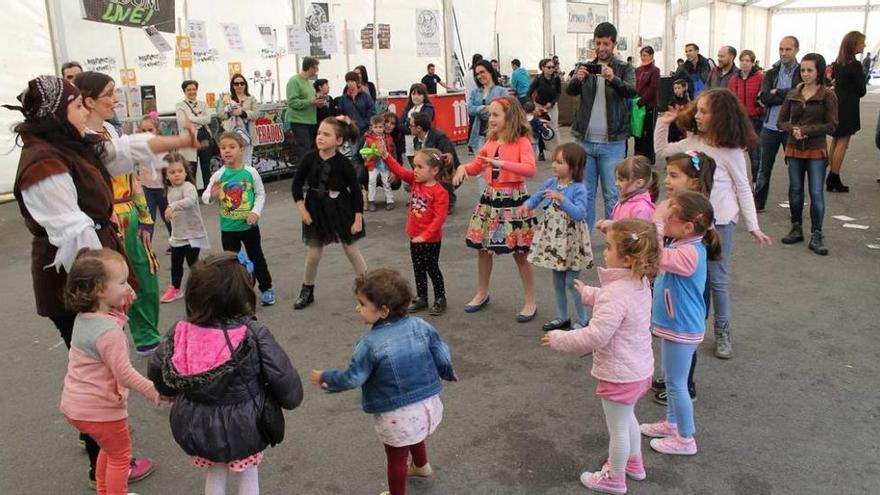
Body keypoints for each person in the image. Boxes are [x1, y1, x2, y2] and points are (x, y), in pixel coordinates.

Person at [6, 74, 197, 488]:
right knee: (99, 370)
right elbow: (74, 236)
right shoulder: (43, 163)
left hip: (93, 271)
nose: (86, 113)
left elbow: (121, 150)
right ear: (58, 113)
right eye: (78, 106)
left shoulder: (68, 143)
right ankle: (105, 464)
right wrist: (112, 290)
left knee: (90, 368)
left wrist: (180, 141)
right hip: (76, 282)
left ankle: (94, 437)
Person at [148, 252, 303, 495]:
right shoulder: (253, 332)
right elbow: (282, 376)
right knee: (248, 474)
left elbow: (159, 367)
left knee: (215, 472)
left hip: (195, 423)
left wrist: (168, 392)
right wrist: (290, 398)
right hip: (245, 424)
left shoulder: (181, 330)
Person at [310, 268, 457, 495]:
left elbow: (353, 377)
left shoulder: (370, 344)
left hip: (396, 413)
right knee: (414, 433)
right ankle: (421, 466)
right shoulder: (422, 326)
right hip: (427, 403)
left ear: (384, 310)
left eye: (362, 304)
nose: (357, 308)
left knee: (396, 457)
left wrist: (326, 378)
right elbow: (442, 352)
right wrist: (447, 372)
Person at [655, 88, 772, 359]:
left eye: (704, 112)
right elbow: (662, 151)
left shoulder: (732, 152)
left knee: (717, 278)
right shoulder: (690, 142)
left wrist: (752, 225)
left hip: (720, 223)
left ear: (721, 117)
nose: (697, 115)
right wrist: (663, 123)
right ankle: (687, 325)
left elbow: (744, 188)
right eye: (697, 110)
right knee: (687, 273)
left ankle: (722, 330)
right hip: (689, 221)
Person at [543, 219, 658, 494]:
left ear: (627, 259)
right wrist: (590, 294)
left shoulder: (616, 294)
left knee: (617, 428)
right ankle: (634, 463)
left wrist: (560, 339)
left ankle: (614, 478)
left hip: (619, 374)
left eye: (608, 247)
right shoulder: (639, 282)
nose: (604, 252)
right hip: (639, 370)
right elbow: (618, 304)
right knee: (628, 418)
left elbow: (596, 334)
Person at [60, 248, 164, 495]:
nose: (128, 286)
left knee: (108, 451)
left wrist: (122, 304)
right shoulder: (109, 333)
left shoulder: (86, 317)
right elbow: (124, 374)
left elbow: (110, 325)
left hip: (77, 406)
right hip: (101, 410)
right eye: (122, 282)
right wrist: (156, 391)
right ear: (98, 289)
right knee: (120, 457)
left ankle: (105, 491)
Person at [76, 71, 162, 355]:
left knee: (145, 278)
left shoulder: (112, 131)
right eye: (110, 94)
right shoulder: (80, 139)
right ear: (89, 101)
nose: (116, 100)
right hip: (107, 218)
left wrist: (146, 216)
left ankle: (147, 335)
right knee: (111, 284)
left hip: (132, 212)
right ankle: (113, 343)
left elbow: (132, 176)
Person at [640, 192, 720, 457]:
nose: (666, 219)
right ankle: (672, 423)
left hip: (681, 328)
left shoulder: (690, 253)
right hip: (675, 325)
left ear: (688, 227)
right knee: (674, 379)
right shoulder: (682, 244)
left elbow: (655, 253)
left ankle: (686, 438)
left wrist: (657, 221)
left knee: (677, 383)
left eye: (671, 216)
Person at [453, 96, 538, 320]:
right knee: (482, 249)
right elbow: (476, 166)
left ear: (509, 117)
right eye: (490, 114)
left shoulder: (522, 142)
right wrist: (462, 168)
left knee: (521, 253)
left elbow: (530, 169)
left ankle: (530, 301)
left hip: (514, 200)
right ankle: (482, 292)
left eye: (495, 114)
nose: (490, 119)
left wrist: (502, 164)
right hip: (491, 199)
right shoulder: (489, 143)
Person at [650, 151, 717, 407]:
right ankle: (671, 378)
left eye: (674, 176)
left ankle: (685, 385)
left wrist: (658, 224)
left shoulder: (695, 213)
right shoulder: (675, 206)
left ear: (694, 182)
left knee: (684, 338)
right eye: (667, 174)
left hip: (688, 291)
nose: (667, 180)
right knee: (671, 335)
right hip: (673, 286)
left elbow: (660, 253)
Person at [566, 22, 638, 231]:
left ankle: (613, 241)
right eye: (598, 43)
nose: (601, 47)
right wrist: (577, 79)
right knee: (585, 194)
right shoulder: (584, 67)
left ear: (614, 44)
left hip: (613, 143)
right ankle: (584, 242)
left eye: (606, 43)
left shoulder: (624, 68)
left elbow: (632, 91)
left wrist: (612, 78)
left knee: (612, 194)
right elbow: (570, 91)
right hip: (585, 142)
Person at [291, 117, 368, 310]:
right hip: (315, 209)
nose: (320, 137)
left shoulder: (344, 163)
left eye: (326, 134)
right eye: (319, 133)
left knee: (351, 250)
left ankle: (369, 289)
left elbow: (356, 191)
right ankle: (307, 290)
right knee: (314, 254)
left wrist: (358, 218)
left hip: (341, 208)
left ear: (339, 140)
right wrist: (302, 210)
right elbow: (296, 185)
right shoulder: (309, 158)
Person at [519, 143, 592, 331]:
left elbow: (579, 214)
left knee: (571, 282)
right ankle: (562, 317)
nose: (554, 166)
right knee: (558, 281)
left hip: (572, 242)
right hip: (555, 241)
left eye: (560, 162)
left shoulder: (578, 188)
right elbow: (537, 197)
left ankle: (583, 319)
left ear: (574, 167)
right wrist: (527, 205)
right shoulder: (552, 182)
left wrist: (562, 199)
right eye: (554, 161)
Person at [202, 132, 275, 306]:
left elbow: (260, 194)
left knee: (256, 256)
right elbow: (206, 197)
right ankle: (238, 294)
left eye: (232, 147)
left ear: (241, 150)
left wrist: (255, 212)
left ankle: (266, 288)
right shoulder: (219, 175)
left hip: (249, 226)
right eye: (223, 147)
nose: (227, 151)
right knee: (232, 263)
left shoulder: (250, 172)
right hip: (228, 228)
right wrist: (212, 195)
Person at [778, 53, 838, 255]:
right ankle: (796, 228)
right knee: (795, 190)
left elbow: (832, 125)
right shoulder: (793, 94)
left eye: (810, 70)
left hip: (816, 150)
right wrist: (793, 129)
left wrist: (807, 131)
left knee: (816, 192)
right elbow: (781, 121)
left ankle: (817, 234)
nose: (805, 74)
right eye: (802, 70)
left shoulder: (827, 95)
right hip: (794, 148)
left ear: (819, 71)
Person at [383, 148, 451, 315]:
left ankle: (440, 298)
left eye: (420, 167)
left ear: (434, 170)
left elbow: (439, 219)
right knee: (418, 267)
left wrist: (425, 236)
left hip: (431, 240)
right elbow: (399, 170)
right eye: (415, 166)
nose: (415, 170)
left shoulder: (440, 192)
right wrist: (385, 155)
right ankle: (422, 297)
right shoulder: (414, 181)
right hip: (414, 236)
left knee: (432, 268)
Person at [755, 36, 801, 211]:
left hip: (791, 127)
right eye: (781, 49)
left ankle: (795, 207)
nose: (784, 53)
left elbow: (800, 95)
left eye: (788, 49)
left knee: (794, 171)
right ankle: (758, 203)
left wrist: (779, 92)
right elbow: (765, 97)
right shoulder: (772, 72)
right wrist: (786, 96)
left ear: (796, 50)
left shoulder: (801, 71)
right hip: (770, 127)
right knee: (763, 168)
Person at [159, 153, 209, 303]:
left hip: (194, 233)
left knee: (193, 264)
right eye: (172, 172)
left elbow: (190, 201)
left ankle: (201, 288)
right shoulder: (168, 190)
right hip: (178, 235)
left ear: (186, 172)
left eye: (180, 171)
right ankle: (175, 288)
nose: (176, 175)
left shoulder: (189, 187)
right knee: (176, 264)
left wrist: (172, 207)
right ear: (166, 175)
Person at [827, 31, 867, 193]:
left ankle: (832, 174)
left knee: (835, 141)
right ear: (854, 44)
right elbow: (861, 90)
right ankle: (834, 176)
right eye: (862, 42)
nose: (864, 45)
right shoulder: (855, 65)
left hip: (837, 104)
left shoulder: (838, 63)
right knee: (843, 142)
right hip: (849, 106)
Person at [410, 111, 461, 209]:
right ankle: (425, 198)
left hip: (447, 171)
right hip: (430, 170)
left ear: (419, 128)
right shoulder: (416, 140)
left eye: (411, 125)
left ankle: (449, 200)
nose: (409, 127)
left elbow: (449, 159)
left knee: (438, 177)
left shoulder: (439, 137)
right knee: (411, 180)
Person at [727, 50, 765, 181]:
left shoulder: (760, 77)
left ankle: (756, 182)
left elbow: (764, 96)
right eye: (742, 60)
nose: (744, 63)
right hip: (738, 120)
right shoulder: (734, 79)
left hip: (755, 120)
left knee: (755, 155)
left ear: (753, 63)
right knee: (733, 153)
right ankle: (735, 182)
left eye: (747, 61)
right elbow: (730, 98)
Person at [137, 114, 172, 240]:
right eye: (143, 131)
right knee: (148, 219)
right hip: (146, 189)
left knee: (168, 217)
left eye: (150, 130)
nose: (147, 133)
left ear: (157, 130)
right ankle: (147, 248)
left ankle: (175, 242)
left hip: (163, 188)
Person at [176, 79, 215, 188]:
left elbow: (208, 120)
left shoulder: (203, 104)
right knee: (191, 167)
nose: (192, 92)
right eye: (189, 90)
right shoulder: (180, 105)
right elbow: (183, 122)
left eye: (194, 89)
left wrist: (192, 118)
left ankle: (207, 192)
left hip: (204, 135)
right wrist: (199, 118)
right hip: (190, 138)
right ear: (184, 91)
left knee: (206, 166)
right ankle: (192, 193)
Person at [599, 156, 658, 227]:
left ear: (639, 183)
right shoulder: (626, 200)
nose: (616, 183)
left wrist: (612, 227)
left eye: (621, 180)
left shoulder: (641, 209)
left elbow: (639, 235)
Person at [467, 60, 509, 157]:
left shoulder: (501, 91)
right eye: (477, 74)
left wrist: (490, 109)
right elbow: (470, 109)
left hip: (498, 135)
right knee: (480, 166)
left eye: (482, 72)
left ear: (490, 71)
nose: (479, 76)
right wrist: (484, 108)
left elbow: (507, 109)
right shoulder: (475, 92)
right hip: (479, 135)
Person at [286, 57, 322, 165]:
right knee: (304, 150)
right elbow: (292, 102)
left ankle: (309, 175)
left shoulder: (309, 83)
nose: (317, 70)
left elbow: (310, 100)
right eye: (316, 67)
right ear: (310, 67)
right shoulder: (294, 81)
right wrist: (310, 102)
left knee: (309, 149)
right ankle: (305, 177)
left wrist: (317, 102)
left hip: (310, 121)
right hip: (299, 121)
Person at [219, 73, 257, 165]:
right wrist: (230, 112)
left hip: (247, 136)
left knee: (246, 163)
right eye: (236, 84)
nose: (239, 85)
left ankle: (246, 179)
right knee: (233, 163)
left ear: (245, 84)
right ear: (232, 86)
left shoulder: (251, 98)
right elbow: (220, 114)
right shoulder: (227, 99)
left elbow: (256, 114)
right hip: (231, 135)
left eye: (242, 83)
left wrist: (242, 113)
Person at [528, 58, 563, 155]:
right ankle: (541, 152)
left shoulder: (556, 78)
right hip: (539, 105)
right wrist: (533, 107)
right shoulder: (538, 79)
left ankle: (557, 151)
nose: (551, 69)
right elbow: (529, 92)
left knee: (554, 127)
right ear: (543, 68)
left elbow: (559, 93)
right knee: (539, 127)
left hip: (552, 106)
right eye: (549, 67)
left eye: (553, 67)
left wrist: (551, 103)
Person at [361, 114, 396, 211]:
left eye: (380, 127)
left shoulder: (388, 138)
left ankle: (390, 200)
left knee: (386, 182)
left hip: (385, 165)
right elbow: (363, 152)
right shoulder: (368, 139)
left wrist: (392, 167)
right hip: (373, 165)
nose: (378, 129)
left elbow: (392, 153)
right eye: (375, 127)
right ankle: (371, 201)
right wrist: (368, 155)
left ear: (384, 127)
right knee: (371, 182)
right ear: (371, 127)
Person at [634, 46, 660, 162]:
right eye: (642, 55)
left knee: (648, 132)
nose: (643, 57)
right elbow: (635, 85)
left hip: (649, 105)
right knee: (637, 130)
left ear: (651, 56)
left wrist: (643, 100)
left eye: (645, 55)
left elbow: (653, 88)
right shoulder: (638, 70)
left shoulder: (655, 70)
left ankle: (649, 156)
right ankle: (638, 153)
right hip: (637, 105)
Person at [464, 54, 484, 154]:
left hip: (468, 101)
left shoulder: (467, 73)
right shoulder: (477, 74)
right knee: (476, 124)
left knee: (472, 123)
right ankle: (473, 145)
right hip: (477, 102)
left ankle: (470, 145)